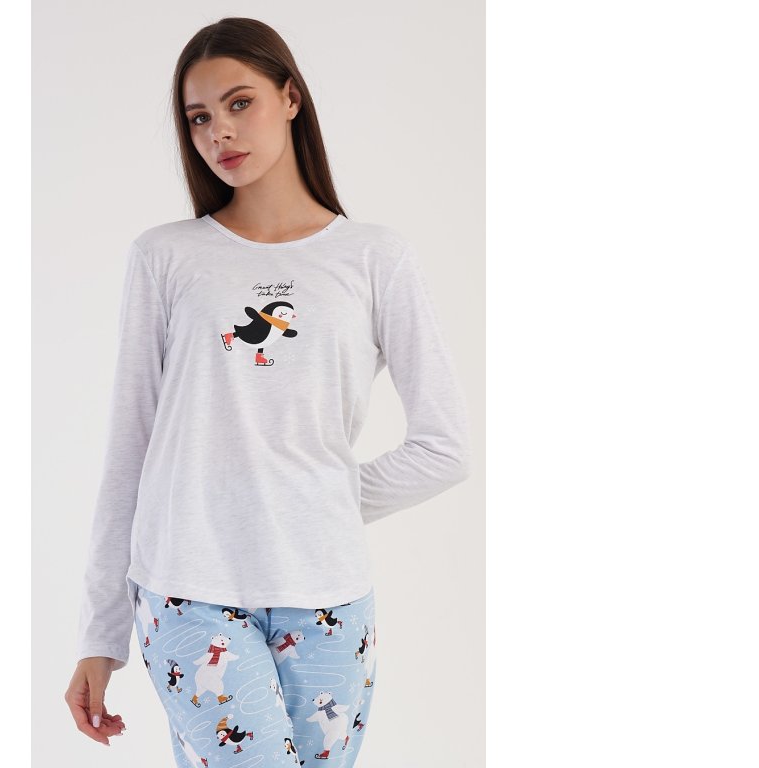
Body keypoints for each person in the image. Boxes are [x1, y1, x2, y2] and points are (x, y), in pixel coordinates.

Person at [64, 16, 471, 766]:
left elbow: (444, 447)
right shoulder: (166, 258)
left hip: (330, 593)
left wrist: (313, 495)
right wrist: (101, 633)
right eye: (198, 117)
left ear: (290, 98)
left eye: (239, 102)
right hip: (186, 587)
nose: (219, 130)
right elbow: (130, 448)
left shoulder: (375, 258)